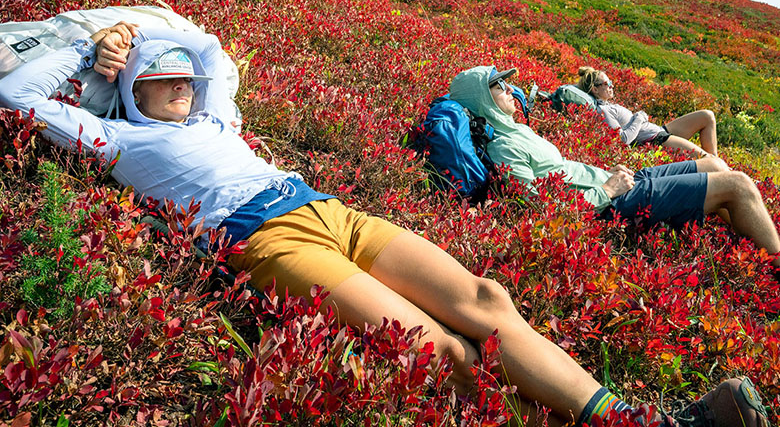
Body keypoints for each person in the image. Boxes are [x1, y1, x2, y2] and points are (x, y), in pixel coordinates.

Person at [0, 23, 769, 427]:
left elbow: (212, 52)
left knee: (489, 300)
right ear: (133, 92)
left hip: (329, 208)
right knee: (442, 353)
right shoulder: (120, 139)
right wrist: (88, 54)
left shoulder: (218, 111)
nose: (181, 83)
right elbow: (20, 99)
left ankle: (637, 421)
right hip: (264, 239)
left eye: (183, 77)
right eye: (159, 77)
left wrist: (135, 28)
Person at [450, 66, 780, 278]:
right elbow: (540, 209)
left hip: (615, 180)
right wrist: (606, 190)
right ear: (482, 99)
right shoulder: (502, 147)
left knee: (717, 165)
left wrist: (609, 173)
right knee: (738, 184)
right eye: (498, 86)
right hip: (612, 203)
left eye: (507, 83)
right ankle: (773, 266)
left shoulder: (515, 129)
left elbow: (565, 172)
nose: (510, 89)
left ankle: (746, 244)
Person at [578, 66, 718, 158]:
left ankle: (717, 167)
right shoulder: (604, 110)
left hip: (660, 130)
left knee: (707, 116)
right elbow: (623, 140)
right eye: (607, 84)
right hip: (656, 140)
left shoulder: (608, 105)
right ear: (595, 89)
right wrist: (638, 118)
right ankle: (718, 168)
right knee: (707, 158)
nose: (611, 86)